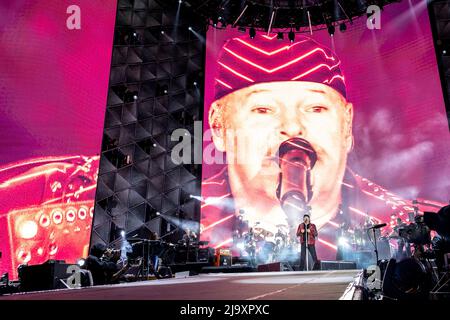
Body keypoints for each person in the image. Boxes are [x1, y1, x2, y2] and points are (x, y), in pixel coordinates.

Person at [200, 33, 446, 260]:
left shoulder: (410, 218)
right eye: (263, 109)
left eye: (315, 108)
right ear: (219, 126)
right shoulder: (201, 217)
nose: (293, 128)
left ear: (346, 125)